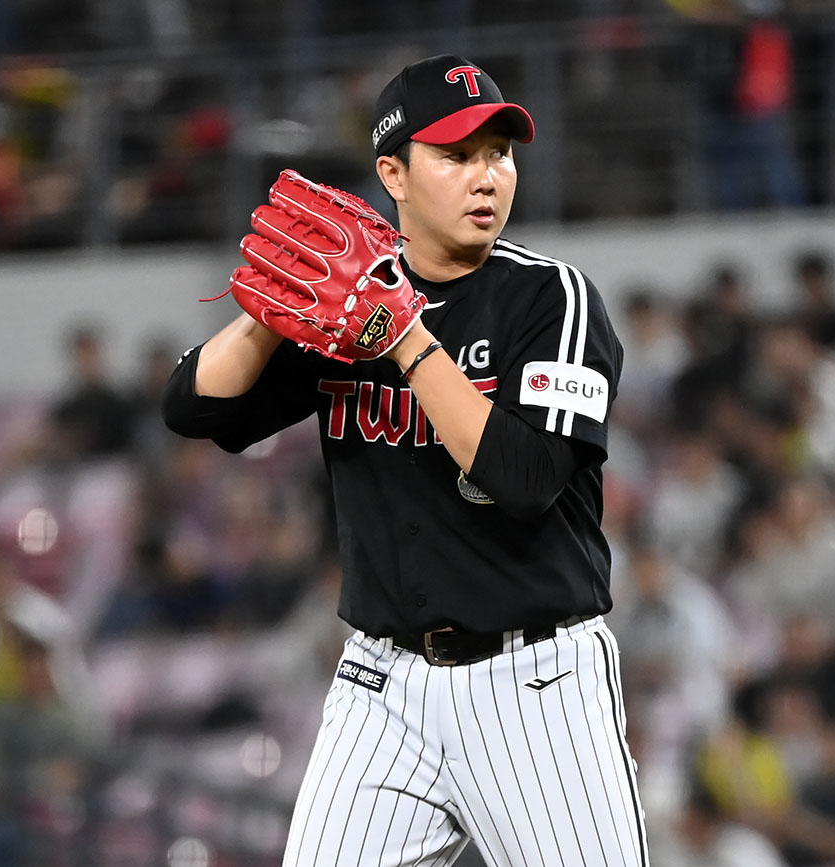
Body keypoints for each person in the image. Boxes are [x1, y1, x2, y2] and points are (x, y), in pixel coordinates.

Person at [161, 55, 646, 867]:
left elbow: (524, 479)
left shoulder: (549, 297)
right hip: (381, 685)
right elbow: (194, 408)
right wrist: (276, 310)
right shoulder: (348, 302)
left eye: (499, 153)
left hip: (533, 685)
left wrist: (402, 335)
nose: (487, 176)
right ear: (394, 172)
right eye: (457, 155)